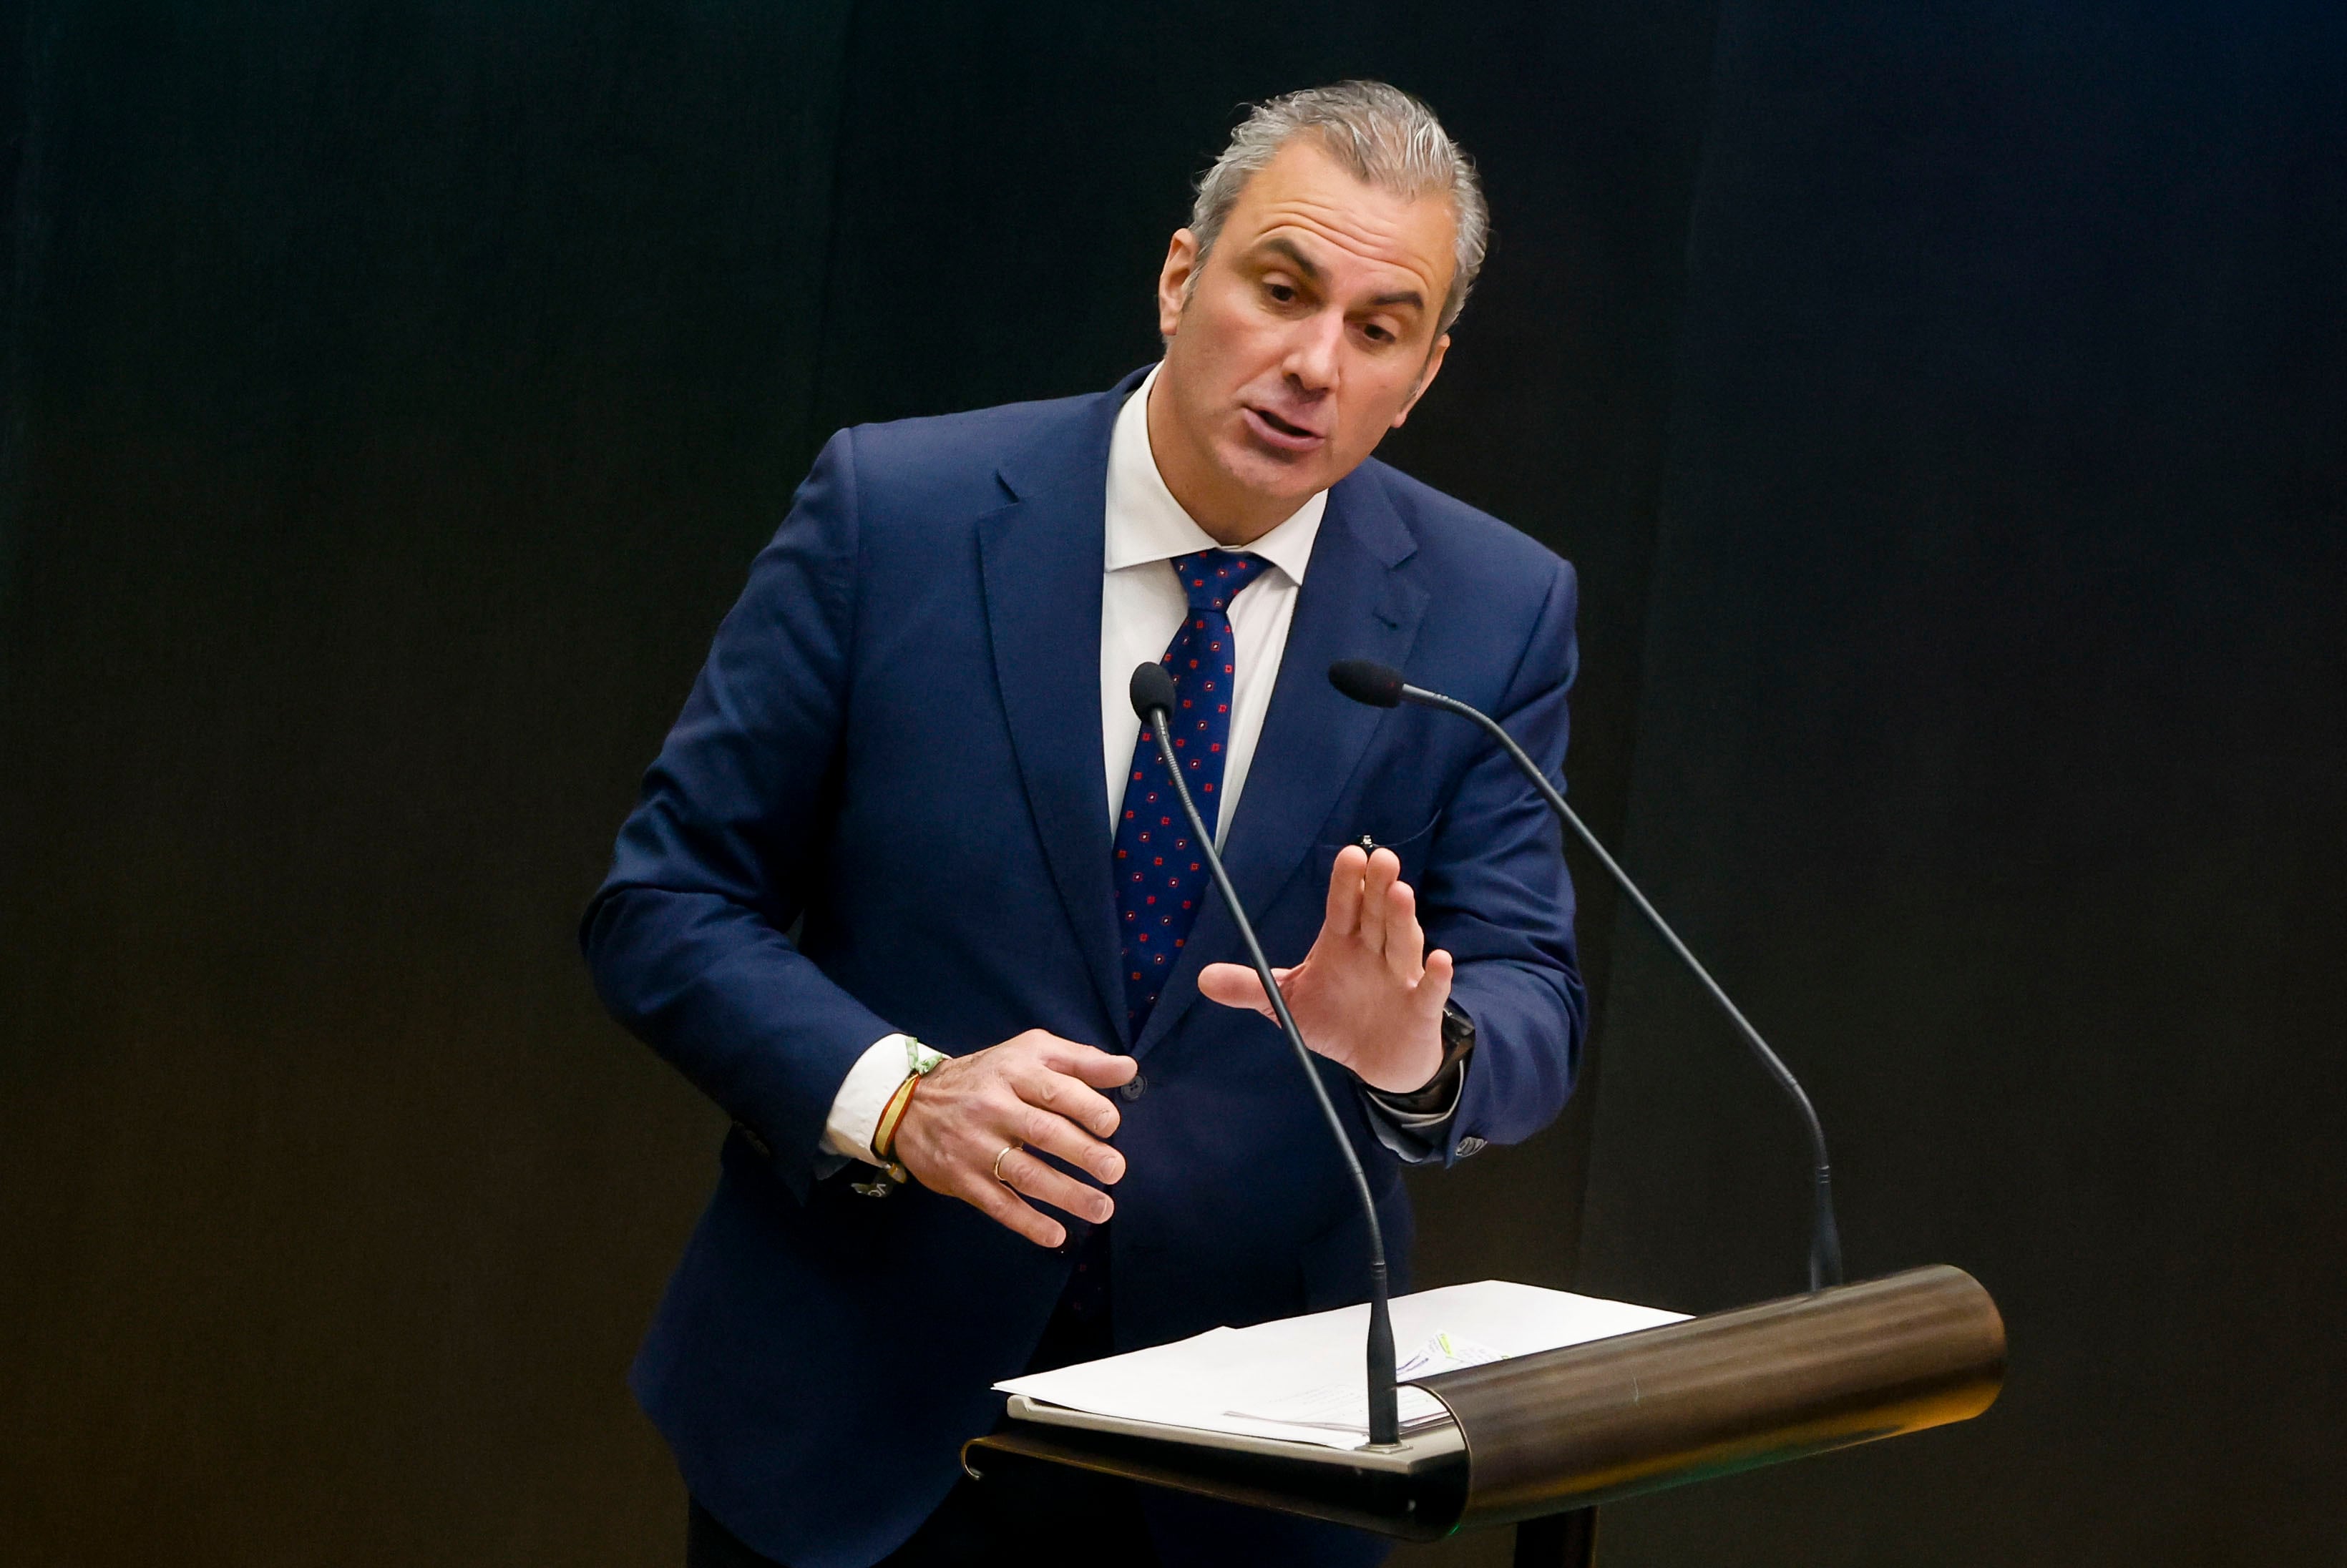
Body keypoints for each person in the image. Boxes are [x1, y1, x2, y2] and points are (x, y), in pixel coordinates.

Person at [583, 80, 1586, 1568]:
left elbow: (1531, 997)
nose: (1311, 363)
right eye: (1279, 288)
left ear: (1420, 374)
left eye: (1375, 329)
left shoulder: (1494, 611)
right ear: (1183, 275)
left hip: (1248, 1474)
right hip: (859, 1424)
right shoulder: (897, 513)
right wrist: (902, 1096)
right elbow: (662, 904)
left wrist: (1414, 1052)